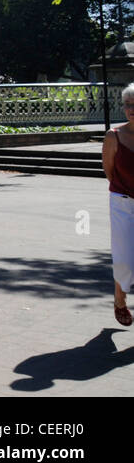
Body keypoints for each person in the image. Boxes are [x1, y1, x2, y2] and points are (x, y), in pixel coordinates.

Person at [104, 83, 134, 326]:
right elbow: (109, 170)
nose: (131, 109)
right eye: (128, 104)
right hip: (122, 202)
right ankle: (119, 298)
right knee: (124, 257)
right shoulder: (114, 136)